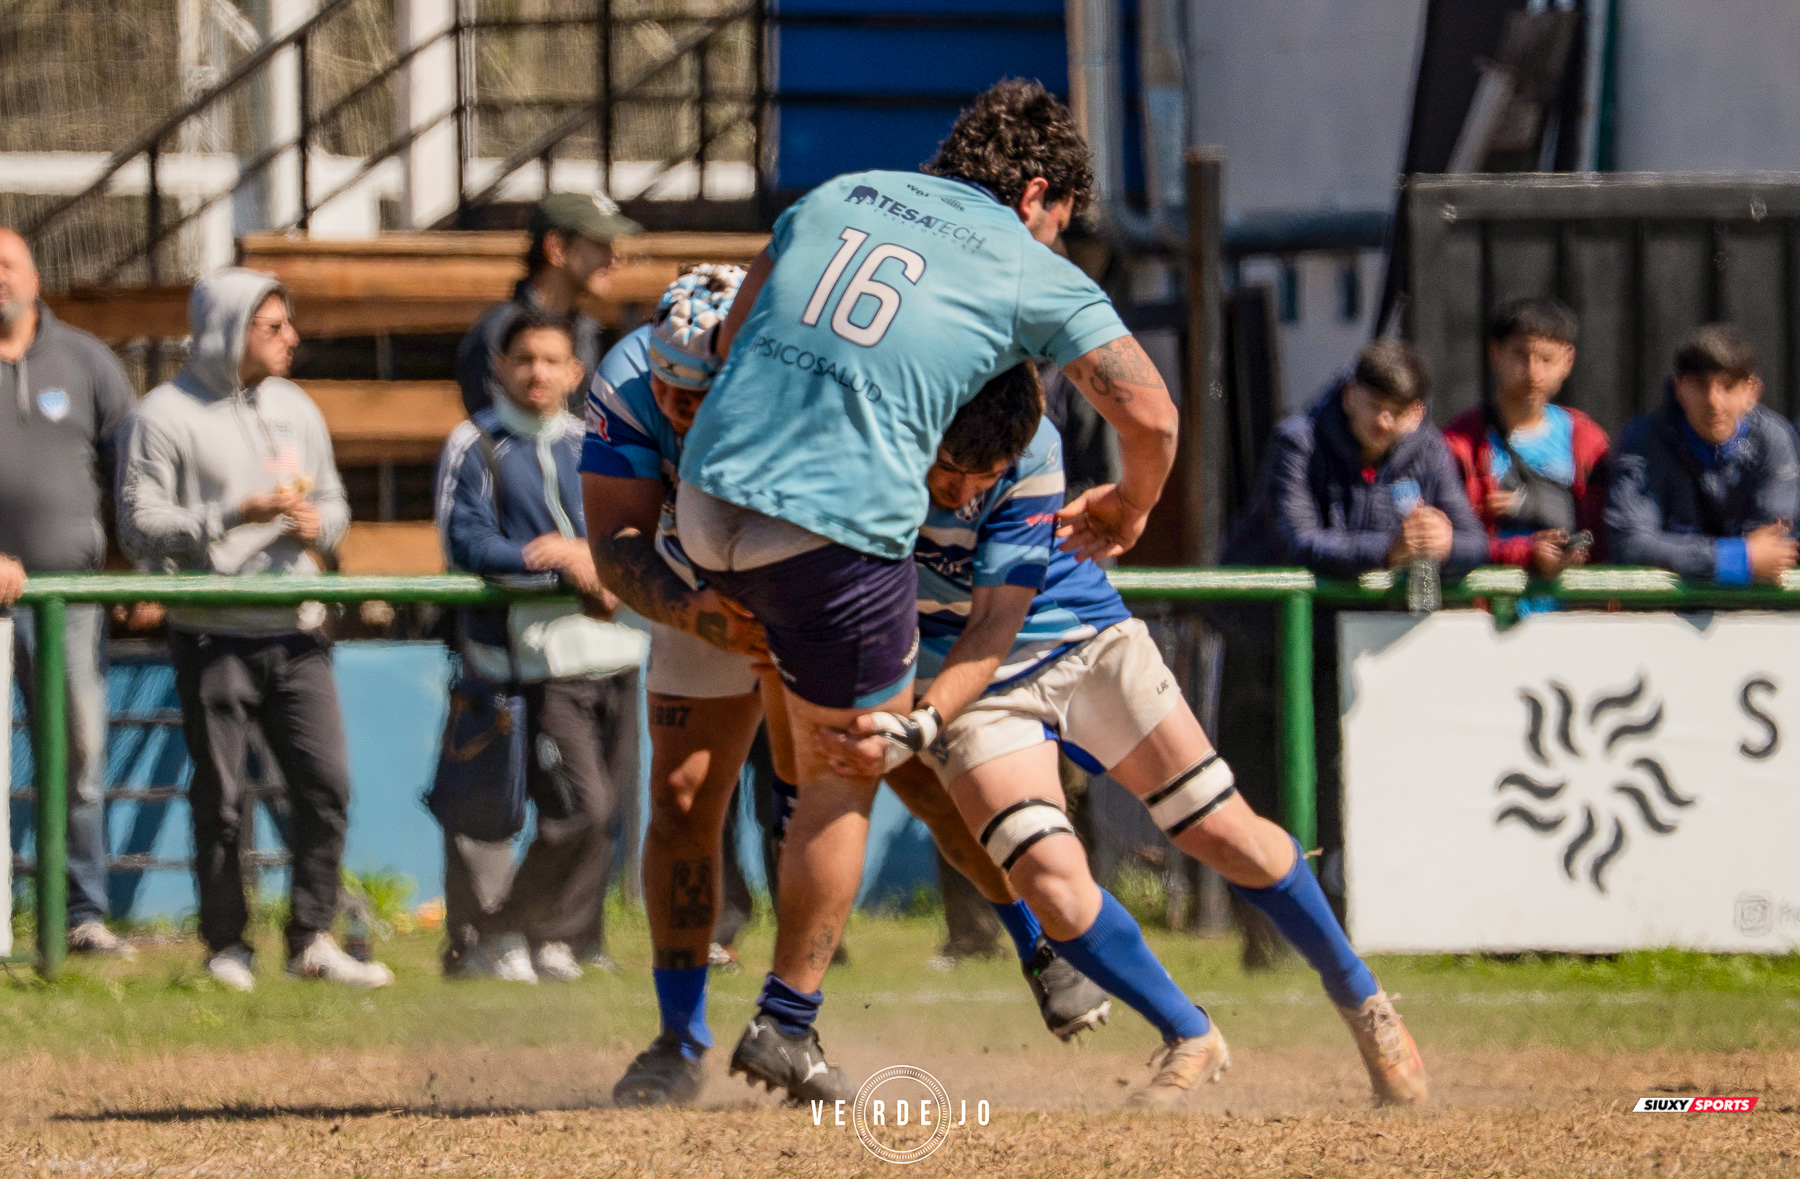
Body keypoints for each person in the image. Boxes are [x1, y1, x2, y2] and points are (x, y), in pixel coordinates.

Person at [666, 78, 1179, 1102]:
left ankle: (1035, 950)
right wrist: (1128, 505)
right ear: (1037, 196)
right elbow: (1152, 414)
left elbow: (730, 344)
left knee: (857, 737)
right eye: (1063, 224)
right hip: (834, 522)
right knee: (853, 766)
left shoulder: (837, 191)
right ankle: (787, 1023)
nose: (1058, 244)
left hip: (708, 499)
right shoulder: (1026, 264)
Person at [827, 367, 1428, 1107]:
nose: (957, 493)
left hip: (1077, 639)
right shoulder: (866, 440)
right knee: (1050, 885)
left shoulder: (1035, 444)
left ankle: (1365, 1002)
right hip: (972, 681)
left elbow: (996, 621)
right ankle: (1189, 1032)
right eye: (945, 470)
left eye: (979, 476)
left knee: (1220, 831)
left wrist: (919, 722)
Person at [581, 270, 1105, 1108]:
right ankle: (679, 1038)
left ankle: (1036, 943)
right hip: (699, 581)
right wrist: (705, 616)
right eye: (671, 395)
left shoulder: (809, 375)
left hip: (807, 567)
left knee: (918, 781)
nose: (684, 414)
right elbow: (614, 542)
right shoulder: (629, 381)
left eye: (702, 395)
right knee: (681, 798)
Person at [116, 269, 391, 992]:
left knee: (326, 783)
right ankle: (225, 943)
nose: (291, 338)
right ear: (226, 331)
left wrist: (317, 524)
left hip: (298, 628)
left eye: (288, 324)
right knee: (223, 796)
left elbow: (334, 503)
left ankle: (313, 935)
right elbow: (138, 525)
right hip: (212, 629)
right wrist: (232, 514)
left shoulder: (295, 407)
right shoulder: (162, 415)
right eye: (273, 327)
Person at [1219, 340, 1486, 948]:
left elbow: (1475, 543)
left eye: (1399, 409)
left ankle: (1339, 929)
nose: (1384, 422)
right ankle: (1264, 940)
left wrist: (1444, 543)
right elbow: (1298, 541)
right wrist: (1389, 551)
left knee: (1346, 789)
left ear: (1419, 412)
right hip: (1269, 645)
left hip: (1358, 648)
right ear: (1349, 394)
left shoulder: (1429, 449)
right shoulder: (1298, 440)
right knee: (1263, 790)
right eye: (1374, 404)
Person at [435, 307, 640, 983]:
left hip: (616, 652)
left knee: (609, 814)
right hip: (541, 661)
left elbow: (638, 525)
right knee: (580, 806)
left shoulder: (595, 443)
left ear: (576, 372)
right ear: (500, 367)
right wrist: (551, 562)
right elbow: (467, 544)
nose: (538, 373)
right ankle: (499, 930)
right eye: (525, 359)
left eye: (553, 360)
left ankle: (557, 935)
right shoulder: (476, 444)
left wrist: (594, 556)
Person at [0, 228, 138, 958]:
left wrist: (132, 568)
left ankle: (83, 912)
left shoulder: (87, 361)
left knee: (81, 753)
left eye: (7, 263)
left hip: (72, 598)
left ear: (36, 276)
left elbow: (130, 473)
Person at [1607, 324, 1800, 584]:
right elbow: (1629, 543)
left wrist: (1687, 557)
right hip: (1661, 615)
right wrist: (1735, 559)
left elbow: (1774, 548)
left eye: (1728, 387)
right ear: (1679, 388)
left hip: (1754, 615)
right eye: (1700, 385)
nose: (1713, 402)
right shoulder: (1642, 440)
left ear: (1751, 392)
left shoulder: (1772, 440)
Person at [1443, 298, 1610, 576]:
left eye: (1546, 359)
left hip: (1574, 613)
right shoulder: (1459, 443)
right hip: (1489, 612)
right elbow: (1451, 542)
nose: (1534, 373)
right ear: (1495, 353)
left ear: (1568, 360)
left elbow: (1604, 539)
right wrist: (1527, 552)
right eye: (1520, 355)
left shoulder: (1590, 442)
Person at [454, 191, 642, 416]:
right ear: (557, 248)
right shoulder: (499, 331)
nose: (615, 259)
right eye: (600, 243)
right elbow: (494, 436)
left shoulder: (586, 331)